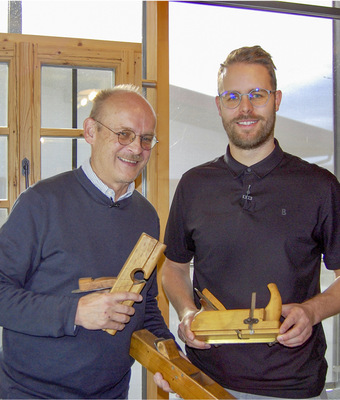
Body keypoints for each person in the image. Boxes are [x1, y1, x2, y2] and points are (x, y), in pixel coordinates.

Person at [160, 46, 340, 399]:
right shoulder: (194, 184)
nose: (245, 108)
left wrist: (310, 312)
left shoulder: (320, 186)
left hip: (293, 386)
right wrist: (186, 314)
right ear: (218, 105)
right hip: (205, 382)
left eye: (257, 95)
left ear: (277, 100)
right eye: (233, 96)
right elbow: (174, 269)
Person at [0, 84, 175, 399]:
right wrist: (75, 312)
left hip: (111, 393)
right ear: (91, 131)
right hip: (30, 393)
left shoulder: (147, 216)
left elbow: (144, 305)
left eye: (146, 138)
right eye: (124, 134)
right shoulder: (40, 203)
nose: (136, 149)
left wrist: (168, 355)